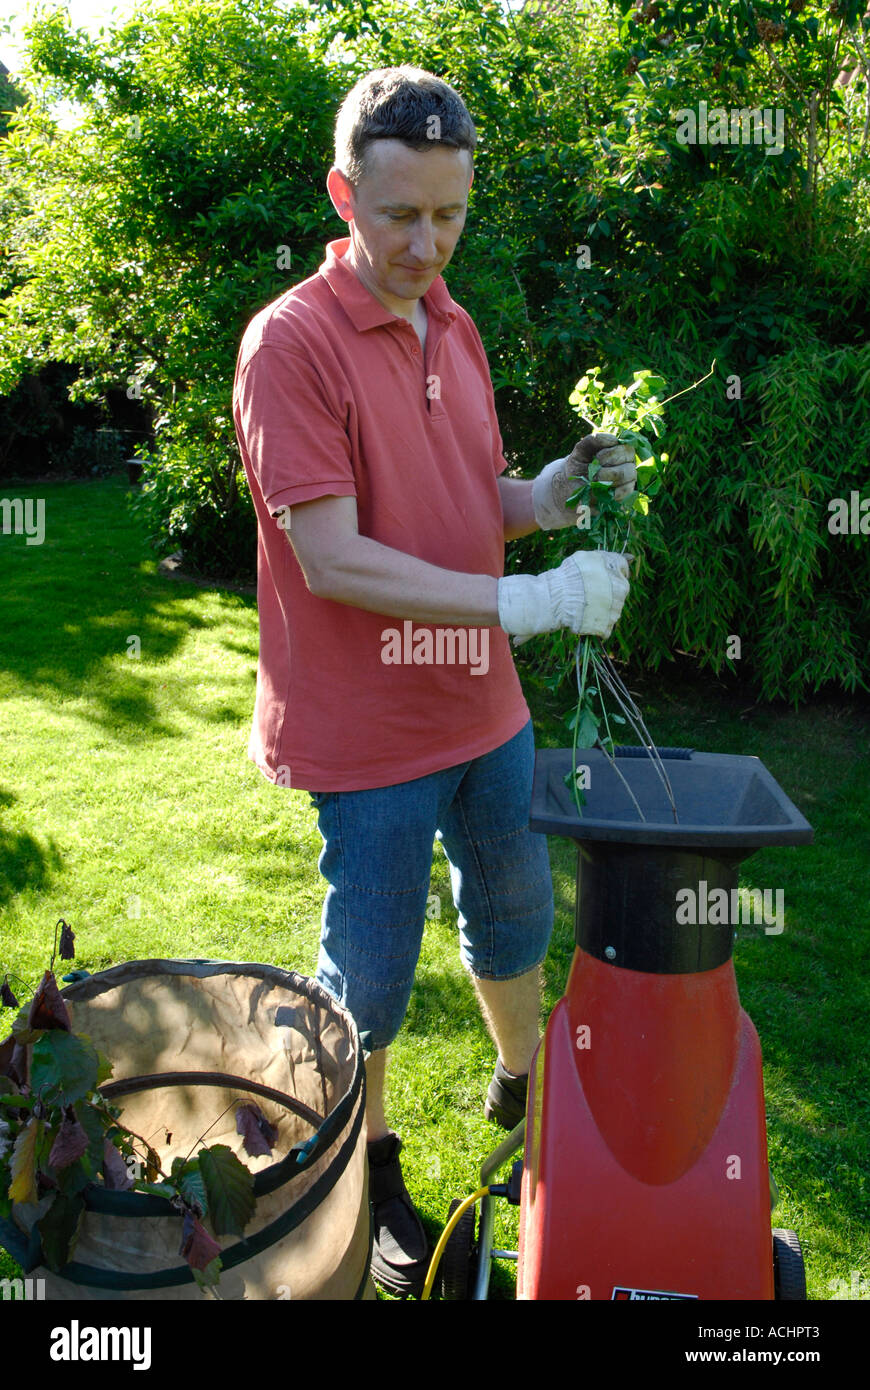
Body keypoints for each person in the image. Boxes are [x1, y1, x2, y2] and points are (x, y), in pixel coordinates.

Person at [232, 65, 635, 1298]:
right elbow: (338, 556)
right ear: (343, 192)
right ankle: (368, 1165)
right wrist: (533, 604)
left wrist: (551, 494)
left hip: (485, 710)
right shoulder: (289, 343)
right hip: (369, 736)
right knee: (370, 971)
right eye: (399, 214)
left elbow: (470, 509)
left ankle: (527, 1094)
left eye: (450, 214)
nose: (426, 243)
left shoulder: (452, 324)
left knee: (515, 911)